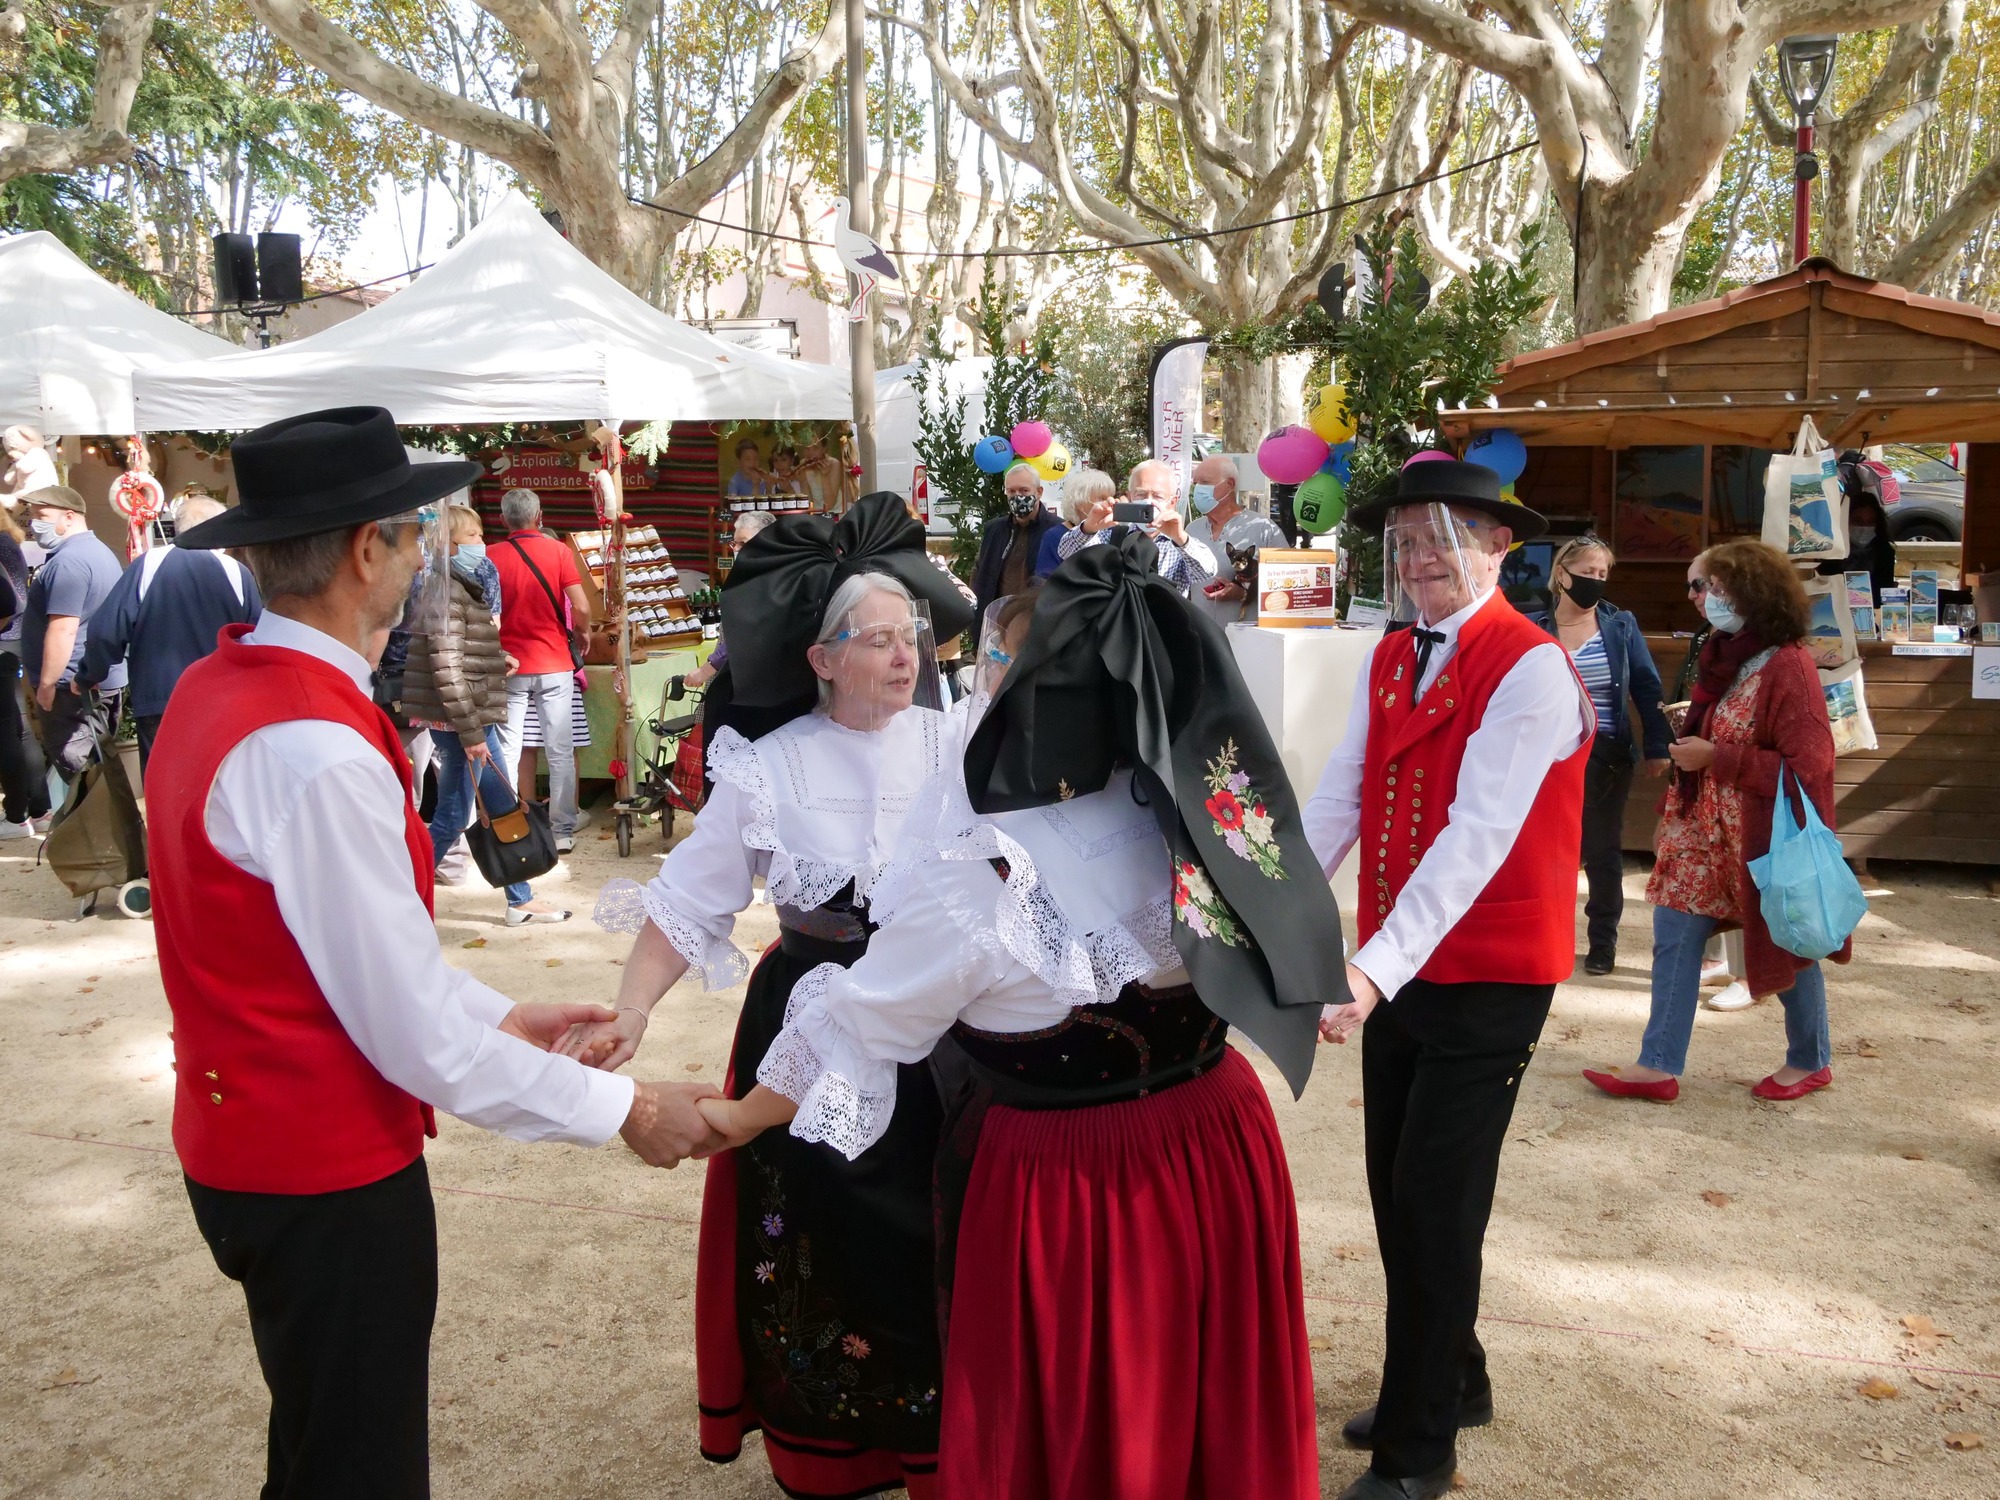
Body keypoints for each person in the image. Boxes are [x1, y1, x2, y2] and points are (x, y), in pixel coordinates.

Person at [690, 529, 1347, 1500]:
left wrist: (736, 1119)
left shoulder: (980, 879)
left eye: (994, 658)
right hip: (1218, 1144)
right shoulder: (1198, 809)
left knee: (1083, 1435)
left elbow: (864, 1026)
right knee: (1202, 1420)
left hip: (1070, 1188)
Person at [146, 405, 722, 1499]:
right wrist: (627, 1111)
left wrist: (500, 1017)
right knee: (356, 1467)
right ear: (368, 550)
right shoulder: (311, 745)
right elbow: (403, 1026)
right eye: (412, 535)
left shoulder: (224, 689)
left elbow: (349, 964)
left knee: (322, 1444)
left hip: (248, 1143)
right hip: (319, 1172)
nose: (424, 555)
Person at [577, 493, 975, 1500]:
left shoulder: (960, 744)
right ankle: (833, 1447)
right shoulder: (772, 765)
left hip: (939, 1026)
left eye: (909, 636)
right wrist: (631, 1010)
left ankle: (947, 1440)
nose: (900, 655)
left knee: (940, 1232)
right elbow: (687, 903)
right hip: (803, 1017)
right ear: (819, 659)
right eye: (872, 639)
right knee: (821, 1231)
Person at [1304, 460, 1590, 1500]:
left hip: (1486, 977)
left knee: (1434, 1205)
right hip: (1403, 966)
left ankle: (1418, 1449)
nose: (1420, 559)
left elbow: (1475, 839)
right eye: (1406, 542)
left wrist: (1368, 973)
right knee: (1394, 1190)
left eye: (1442, 539)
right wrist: (1273, 909)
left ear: (1496, 548)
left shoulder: (1529, 668)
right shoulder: (1390, 652)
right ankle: (1452, 1374)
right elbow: (1339, 797)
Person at [1584, 540, 1845, 1105]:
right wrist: (1684, 781)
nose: (1696, 598)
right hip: (1703, 833)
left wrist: (1717, 757)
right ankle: (1657, 1066)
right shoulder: (1723, 651)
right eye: (1692, 587)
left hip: (1761, 841)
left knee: (1785, 944)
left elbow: (1812, 767)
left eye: (1706, 585)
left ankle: (1810, 1059)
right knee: (1674, 938)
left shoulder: (1790, 665)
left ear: (1749, 588)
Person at [405, 504, 569, 926]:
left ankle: (405, 896)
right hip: (465, 720)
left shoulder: (451, 585)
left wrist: (497, 660)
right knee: (489, 808)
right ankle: (516, 898)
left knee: (464, 813)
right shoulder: (445, 590)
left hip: (462, 718)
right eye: (476, 536)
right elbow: (446, 667)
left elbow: (457, 656)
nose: (483, 543)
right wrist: (472, 731)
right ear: (454, 543)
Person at [1525, 535, 1671, 975]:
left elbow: (1647, 688)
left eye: (1603, 574)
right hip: (1545, 759)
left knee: (1603, 852)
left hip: (1606, 756)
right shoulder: (1534, 627)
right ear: (1562, 574)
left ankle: (1602, 942)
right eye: (1587, 572)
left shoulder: (1620, 625)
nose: (1595, 581)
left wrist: (1657, 747)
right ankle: (1545, 937)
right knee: (1545, 852)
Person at [75, 496, 262, 774]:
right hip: (221, 700)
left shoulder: (148, 564)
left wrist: (90, 674)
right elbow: (257, 639)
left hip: (160, 697)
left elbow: (106, 630)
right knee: (218, 785)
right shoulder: (237, 572)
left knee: (164, 785)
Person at [489, 487, 591, 852]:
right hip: (554, 663)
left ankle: (511, 822)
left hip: (509, 665)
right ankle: (562, 829)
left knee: (509, 747)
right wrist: (583, 631)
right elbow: (580, 606)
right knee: (560, 749)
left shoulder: (490, 556)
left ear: (503, 520)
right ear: (540, 516)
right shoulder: (558, 551)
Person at [20, 485, 126, 779]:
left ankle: (98, 826)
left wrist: (47, 683)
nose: (34, 523)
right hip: (92, 679)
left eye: (42, 515)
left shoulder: (69, 561)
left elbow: (63, 628)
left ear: (69, 517)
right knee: (97, 772)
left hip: (72, 685)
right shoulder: (98, 552)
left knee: (82, 775)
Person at [1059, 457, 1217, 595]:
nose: (1149, 501)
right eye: (1141, 494)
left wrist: (1180, 538)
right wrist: (1088, 528)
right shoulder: (1113, 534)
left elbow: (1206, 572)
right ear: (1130, 496)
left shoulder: (1179, 544)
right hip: (1119, 626)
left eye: (1158, 496)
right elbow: (1065, 552)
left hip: (1163, 627)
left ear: (1173, 502)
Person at [1186, 454, 1287, 626]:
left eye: (1205, 482)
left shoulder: (1264, 529)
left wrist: (1243, 594)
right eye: (1195, 483)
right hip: (1201, 640)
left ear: (1229, 485)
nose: (1198, 490)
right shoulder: (1191, 530)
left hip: (1246, 642)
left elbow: (1288, 586)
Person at [687, 510, 777, 690]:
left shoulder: (770, 580)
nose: (736, 550)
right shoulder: (748, 576)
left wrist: (708, 668)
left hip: (754, 680)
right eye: (734, 543)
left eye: (743, 543)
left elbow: (746, 632)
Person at [0, 503, 48, 837]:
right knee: (20, 728)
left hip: (6, 638)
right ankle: (38, 808)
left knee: (9, 730)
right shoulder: (9, 541)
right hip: (14, 637)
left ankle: (19, 813)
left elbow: (7, 601)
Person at [970, 461, 1062, 624]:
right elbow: (980, 574)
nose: (1017, 496)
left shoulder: (1057, 530)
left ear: (1039, 492)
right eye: (1011, 491)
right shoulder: (994, 530)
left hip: (1036, 624)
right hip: (996, 622)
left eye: (1024, 490)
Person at [1816, 488, 1898, 603]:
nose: (1864, 527)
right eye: (1858, 521)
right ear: (1846, 521)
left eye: (1870, 522)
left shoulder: (1885, 553)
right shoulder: (1829, 554)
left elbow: (1883, 594)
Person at [1032, 465, 1102, 577]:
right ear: (1081, 504)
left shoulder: (1112, 532)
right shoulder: (1055, 536)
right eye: (1101, 498)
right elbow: (1044, 582)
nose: (1110, 501)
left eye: (1111, 495)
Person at [1, 425, 58, 508]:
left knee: (18, 497)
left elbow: (25, 468)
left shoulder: (38, 452)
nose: (11, 451)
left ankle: (10, 502)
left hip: (40, 489)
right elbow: (9, 480)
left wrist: (19, 458)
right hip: (24, 490)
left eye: (13, 447)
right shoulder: (21, 459)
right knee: (17, 497)